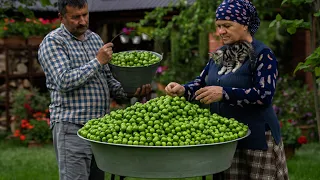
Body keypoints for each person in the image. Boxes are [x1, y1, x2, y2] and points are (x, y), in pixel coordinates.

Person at [165, 0, 289, 179]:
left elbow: (264, 95)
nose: (220, 31)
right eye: (218, 26)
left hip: (256, 138)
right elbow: (201, 82)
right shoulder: (219, 55)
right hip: (224, 140)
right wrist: (183, 90)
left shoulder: (262, 54)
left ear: (245, 24)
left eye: (227, 26)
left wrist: (224, 93)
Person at [38, 0, 151, 179]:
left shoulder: (94, 39)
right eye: (76, 17)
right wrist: (97, 61)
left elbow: (108, 81)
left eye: (85, 15)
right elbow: (64, 81)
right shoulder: (53, 42)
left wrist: (131, 91)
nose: (83, 21)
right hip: (72, 127)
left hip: (99, 128)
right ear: (61, 17)